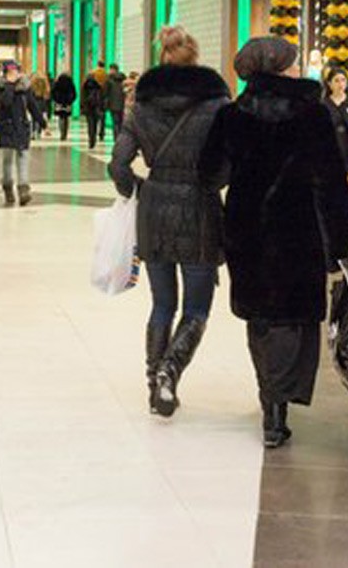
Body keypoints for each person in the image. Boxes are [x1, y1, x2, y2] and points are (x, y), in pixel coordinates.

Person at [200, 36, 348, 448]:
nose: (298, 70)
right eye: (292, 63)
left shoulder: (233, 115)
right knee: (295, 317)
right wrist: (345, 249)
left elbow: (209, 175)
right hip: (300, 230)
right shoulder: (313, 114)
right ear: (277, 67)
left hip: (248, 230)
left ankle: (270, 402)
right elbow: (332, 186)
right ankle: (279, 404)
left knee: (260, 317)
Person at [109, 26, 230, 418]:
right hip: (199, 210)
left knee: (162, 304)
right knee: (196, 309)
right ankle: (169, 373)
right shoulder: (217, 105)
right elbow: (226, 165)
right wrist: (210, 184)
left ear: (162, 58)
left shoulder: (141, 106)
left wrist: (137, 190)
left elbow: (118, 163)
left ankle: (153, 380)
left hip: (155, 206)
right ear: (194, 58)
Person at [0, 61, 46, 206]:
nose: (13, 74)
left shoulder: (25, 87)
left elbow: (32, 105)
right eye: (10, 71)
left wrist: (42, 123)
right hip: (6, 128)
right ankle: (8, 188)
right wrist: (10, 85)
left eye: (15, 71)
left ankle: (23, 189)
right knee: (8, 160)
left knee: (23, 158)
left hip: (21, 127)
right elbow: (5, 103)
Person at [81, 67, 107, 149]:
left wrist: (82, 107)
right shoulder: (99, 86)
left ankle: (91, 140)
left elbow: (82, 98)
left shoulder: (84, 87)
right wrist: (102, 107)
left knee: (90, 124)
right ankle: (94, 138)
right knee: (95, 124)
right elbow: (102, 97)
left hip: (88, 108)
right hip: (96, 107)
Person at [51, 71, 77, 141]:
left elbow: (53, 92)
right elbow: (74, 93)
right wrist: (71, 100)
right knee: (66, 117)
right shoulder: (70, 83)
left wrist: (56, 100)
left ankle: (61, 132)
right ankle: (65, 133)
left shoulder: (57, 83)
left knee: (60, 117)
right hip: (67, 103)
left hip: (59, 102)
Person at [105, 62, 127, 138]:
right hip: (122, 103)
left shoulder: (109, 79)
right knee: (120, 122)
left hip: (112, 104)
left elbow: (106, 93)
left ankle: (116, 138)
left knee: (115, 122)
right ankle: (120, 137)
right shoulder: (123, 78)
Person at [29, 72, 52, 139]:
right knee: (40, 117)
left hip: (34, 101)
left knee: (34, 117)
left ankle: (33, 132)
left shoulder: (32, 83)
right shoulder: (44, 82)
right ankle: (38, 131)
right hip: (42, 101)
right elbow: (47, 92)